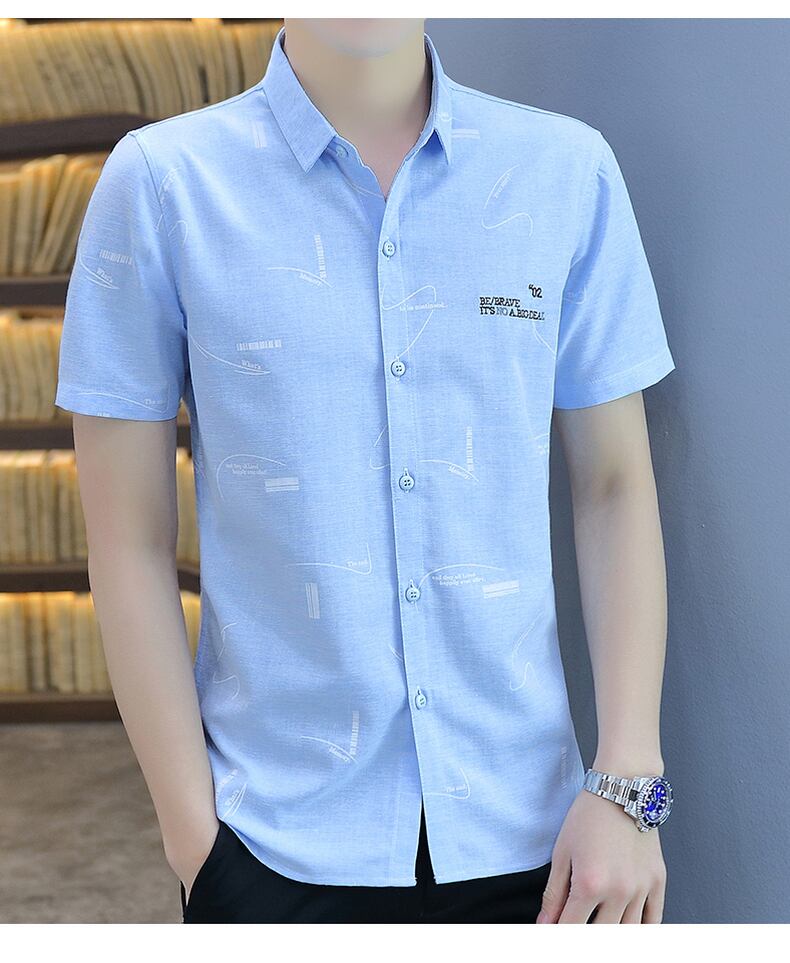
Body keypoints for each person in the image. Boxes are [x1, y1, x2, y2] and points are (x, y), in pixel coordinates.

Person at [55, 18, 676, 923]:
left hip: (543, 850)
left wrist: (628, 787)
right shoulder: (161, 184)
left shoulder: (566, 174)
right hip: (271, 849)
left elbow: (613, 487)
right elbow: (127, 542)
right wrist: (198, 846)